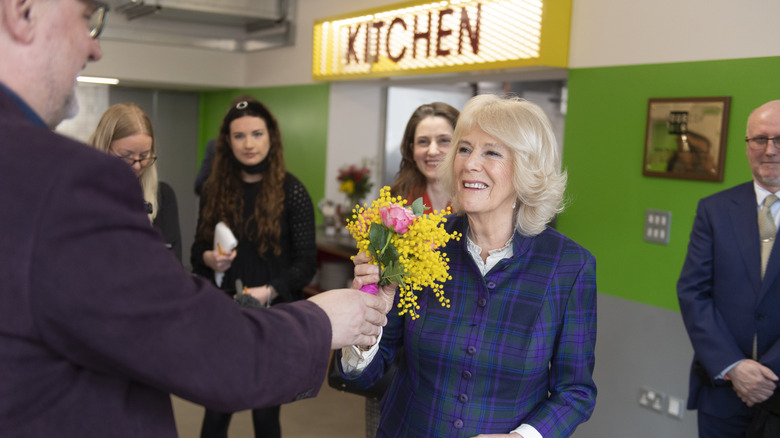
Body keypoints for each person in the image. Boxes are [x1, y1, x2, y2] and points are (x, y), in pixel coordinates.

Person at [0, 0, 388, 436]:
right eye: (88, 17)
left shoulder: (288, 188)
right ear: (24, 10)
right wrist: (322, 320)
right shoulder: (66, 179)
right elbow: (206, 348)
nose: (95, 48)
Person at [341, 94, 598, 437]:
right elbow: (364, 373)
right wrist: (368, 319)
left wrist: (522, 437)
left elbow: (575, 392)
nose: (469, 164)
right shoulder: (421, 245)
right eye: (464, 149)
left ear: (528, 168)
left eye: (491, 152)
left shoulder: (568, 266)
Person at [191, 99, 317, 438]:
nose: (248, 143)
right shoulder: (214, 189)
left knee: (266, 417)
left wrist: (270, 290)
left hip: (272, 318)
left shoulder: (293, 192)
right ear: (227, 142)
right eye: (239, 135)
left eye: (257, 133)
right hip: (224, 315)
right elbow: (197, 250)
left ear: (271, 137)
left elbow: (306, 264)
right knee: (217, 411)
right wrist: (209, 259)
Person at [678, 100, 780, 438]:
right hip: (722, 390)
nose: (769, 150)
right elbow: (693, 292)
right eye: (760, 139)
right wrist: (734, 367)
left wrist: (764, 374)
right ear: (748, 144)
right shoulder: (715, 210)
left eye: (779, 139)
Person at [88, 102, 182, 262]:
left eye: (144, 155)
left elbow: (174, 264)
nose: (137, 165)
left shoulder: (164, 196)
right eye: (127, 156)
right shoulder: (80, 193)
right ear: (104, 148)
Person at [390, 102, 459, 212]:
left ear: (461, 147)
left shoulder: (478, 202)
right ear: (412, 149)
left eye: (444, 140)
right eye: (423, 142)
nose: (432, 151)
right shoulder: (395, 203)